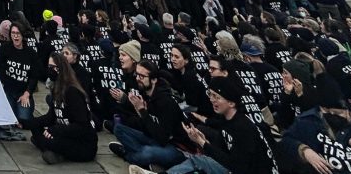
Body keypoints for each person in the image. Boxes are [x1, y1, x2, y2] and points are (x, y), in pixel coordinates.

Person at [134, 76, 278, 174]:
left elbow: (235, 165)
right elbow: (222, 152)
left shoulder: (242, 127)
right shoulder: (226, 120)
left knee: (199, 161)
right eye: (211, 95)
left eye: (217, 97)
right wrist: (204, 141)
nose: (212, 100)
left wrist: (203, 143)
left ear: (231, 103)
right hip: (239, 167)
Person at [109, 60, 185, 169]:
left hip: (175, 146)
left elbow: (162, 138)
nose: (137, 78)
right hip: (154, 139)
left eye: (141, 76)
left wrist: (142, 112)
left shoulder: (166, 101)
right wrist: (135, 109)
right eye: (137, 74)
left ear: (153, 80)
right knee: (119, 129)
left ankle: (128, 154)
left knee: (147, 152)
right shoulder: (146, 94)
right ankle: (145, 159)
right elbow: (146, 128)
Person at [31, 51, 97, 164]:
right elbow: (50, 117)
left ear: (59, 69)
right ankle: (57, 152)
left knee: (47, 141)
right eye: (49, 66)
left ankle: (56, 151)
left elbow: (81, 126)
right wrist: (27, 122)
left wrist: (54, 131)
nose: (49, 70)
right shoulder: (57, 87)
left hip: (83, 143)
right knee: (36, 128)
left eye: (52, 67)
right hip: (67, 134)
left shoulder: (72, 91)